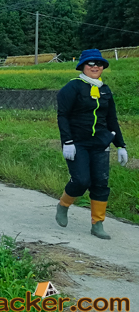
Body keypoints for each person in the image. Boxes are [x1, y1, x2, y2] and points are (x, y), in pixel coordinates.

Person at [55, 49, 128, 240]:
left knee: (100, 183)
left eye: (99, 63)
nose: (95, 66)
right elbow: (62, 115)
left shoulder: (105, 90)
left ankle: (98, 224)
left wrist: (120, 145)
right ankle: (63, 205)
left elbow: (111, 118)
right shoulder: (73, 88)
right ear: (82, 66)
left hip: (100, 142)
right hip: (78, 142)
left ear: (103, 67)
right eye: (90, 63)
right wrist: (67, 141)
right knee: (81, 181)